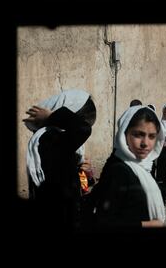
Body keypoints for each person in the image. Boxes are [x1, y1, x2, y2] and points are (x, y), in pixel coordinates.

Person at [23, 89, 96, 233]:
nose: (86, 121)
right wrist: (52, 115)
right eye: (81, 116)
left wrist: (85, 175)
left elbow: (70, 178)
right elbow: (83, 129)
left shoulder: (61, 142)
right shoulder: (48, 138)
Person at [92, 105, 166, 231]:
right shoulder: (119, 170)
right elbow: (104, 221)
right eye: (138, 135)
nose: (145, 143)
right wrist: (147, 224)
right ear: (124, 133)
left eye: (152, 136)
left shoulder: (143, 166)